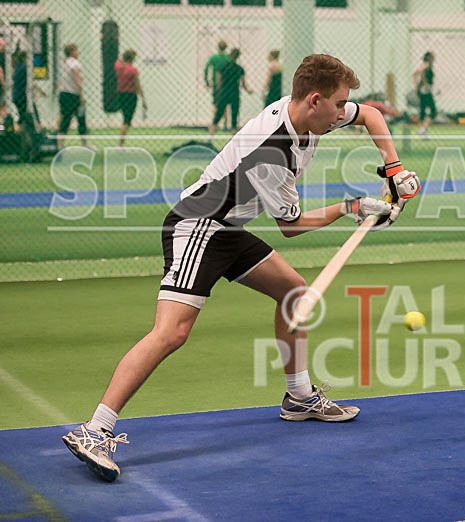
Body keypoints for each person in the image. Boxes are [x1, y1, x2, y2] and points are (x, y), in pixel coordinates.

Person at [62, 53, 421, 482]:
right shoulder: (274, 148)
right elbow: (290, 226)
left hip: (230, 226)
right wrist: (353, 206)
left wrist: (395, 168)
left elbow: (374, 116)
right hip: (201, 225)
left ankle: (299, 397)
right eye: (339, 104)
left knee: (292, 290)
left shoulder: (316, 113)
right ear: (314, 99)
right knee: (172, 332)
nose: (344, 113)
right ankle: (94, 429)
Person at [208, 48, 253, 138]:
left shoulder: (223, 67)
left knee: (218, 115)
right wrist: (249, 91)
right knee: (234, 117)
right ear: (238, 57)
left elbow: (218, 80)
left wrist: (219, 89)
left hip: (224, 93)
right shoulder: (239, 69)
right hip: (234, 93)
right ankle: (233, 138)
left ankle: (210, 137)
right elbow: (243, 84)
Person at [56, 43, 92, 150]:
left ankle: (60, 145)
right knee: (81, 118)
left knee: (65, 119)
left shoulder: (63, 63)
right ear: (72, 52)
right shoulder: (75, 63)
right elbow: (77, 80)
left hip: (63, 95)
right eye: (77, 50)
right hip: (73, 95)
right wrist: (81, 95)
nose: (78, 52)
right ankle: (84, 143)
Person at [114, 50, 147, 146]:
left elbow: (118, 60)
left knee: (126, 118)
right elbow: (138, 86)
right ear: (133, 59)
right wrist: (143, 99)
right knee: (127, 121)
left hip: (120, 95)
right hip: (131, 96)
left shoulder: (118, 67)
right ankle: (120, 144)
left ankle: (121, 144)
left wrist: (123, 58)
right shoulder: (133, 70)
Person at [204, 40, 229, 129]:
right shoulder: (228, 58)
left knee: (215, 104)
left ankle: (215, 124)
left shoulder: (213, 58)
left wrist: (207, 81)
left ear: (218, 47)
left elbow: (206, 68)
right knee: (225, 104)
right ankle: (225, 124)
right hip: (226, 85)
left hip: (216, 84)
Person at [412, 51, 436, 137]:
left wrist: (417, 84)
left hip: (424, 91)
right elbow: (418, 73)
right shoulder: (426, 65)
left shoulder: (427, 66)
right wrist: (424, 84)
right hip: (425, 91)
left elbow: (415, 74)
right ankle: (422, 129)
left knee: (423, 110)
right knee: (432, 110)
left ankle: (422, 129)